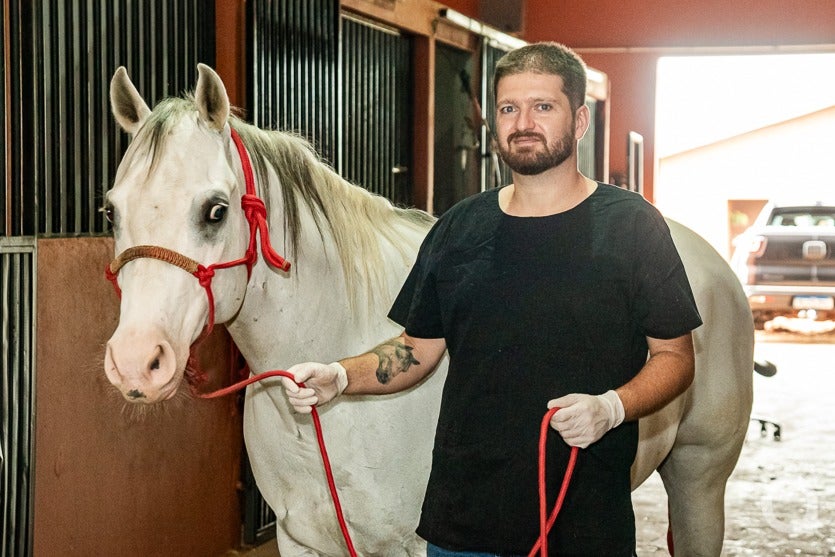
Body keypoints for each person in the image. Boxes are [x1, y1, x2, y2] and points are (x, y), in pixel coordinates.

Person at [281, 42, 701, 556]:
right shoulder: (459, 226)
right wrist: (341, 376)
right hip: (463, 525)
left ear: (579, 120)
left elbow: (675, 357)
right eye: (508, 108)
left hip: (583, 523)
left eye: (542, 106)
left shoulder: (632, 225)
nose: (523, 123)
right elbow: (416, 349)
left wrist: (612, 408)